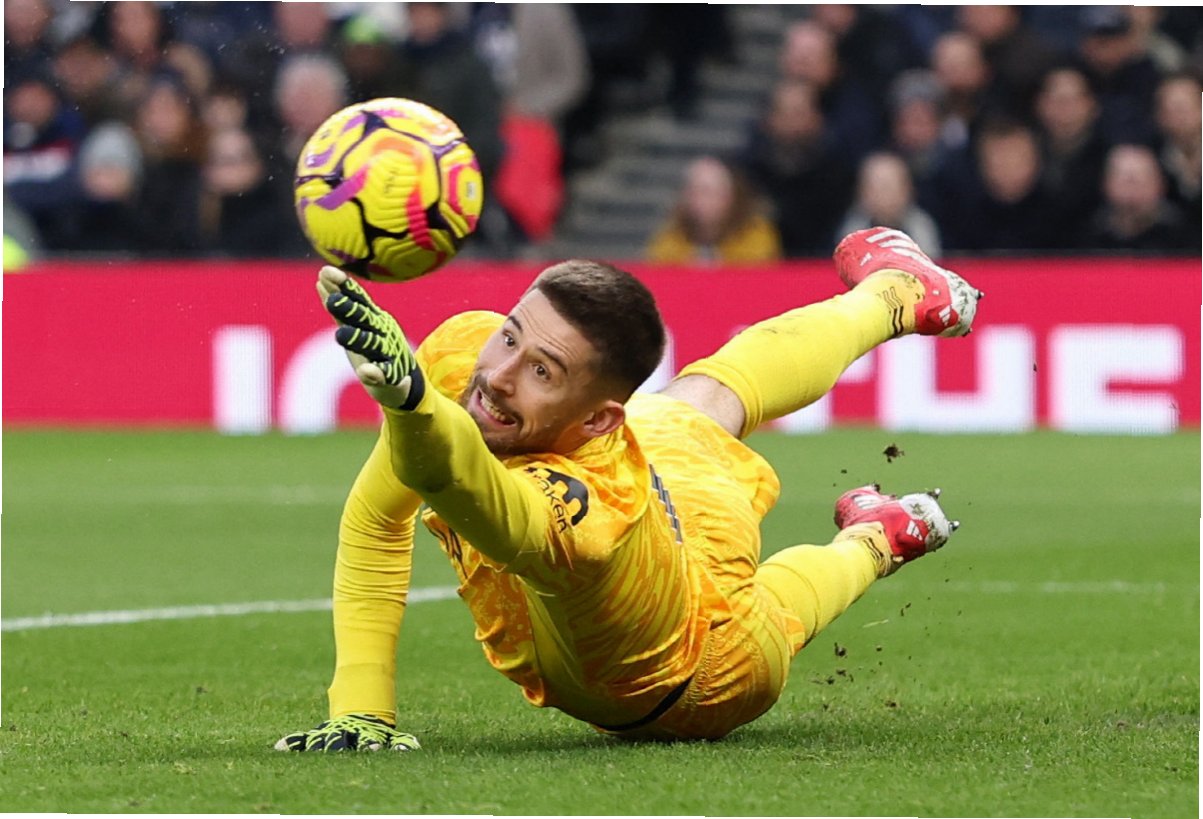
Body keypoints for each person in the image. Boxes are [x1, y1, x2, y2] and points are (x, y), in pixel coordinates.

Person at [275, 227, 981, 751]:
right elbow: (379, 516)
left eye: (543, 372)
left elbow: (474, 493)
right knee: (704, 397)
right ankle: (897, 294)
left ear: (598, 420)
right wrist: (361, 710)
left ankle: (879, 536)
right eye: (511, 337)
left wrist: (413, 407)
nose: (498, 377)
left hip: (703, 673)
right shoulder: (467, 358)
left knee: (772, 616)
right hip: (658, 495)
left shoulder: (585, 512)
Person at [647, 156, 782, 264]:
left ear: (729, 197)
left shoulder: (756, 233)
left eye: (707, 192)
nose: (698, 200)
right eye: (693, 192)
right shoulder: (671, 235)